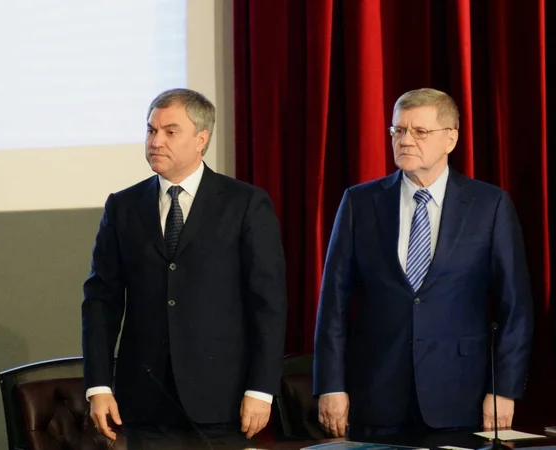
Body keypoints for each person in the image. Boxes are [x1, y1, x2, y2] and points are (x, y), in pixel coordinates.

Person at [313, 88, 533, 443]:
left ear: (451, 138)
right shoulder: (360, 202)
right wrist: (331, 385)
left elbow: (515, 308)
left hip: (461, 397)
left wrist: (504, 388)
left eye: (419, 132)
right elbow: (333, 305)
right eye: (398, 131)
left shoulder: (489, 205)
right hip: (376, 395)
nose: (405, 140)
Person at [82, 88, 287, 448]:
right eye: (150, 130)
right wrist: (99, 385)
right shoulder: (123, 206)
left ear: (201, 139)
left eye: (170, 131)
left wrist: (262, 388)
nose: (155, 141)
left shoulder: (245, 204)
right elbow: (101, 302)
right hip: (146, 401)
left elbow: (267, 304)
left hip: (223, 401)